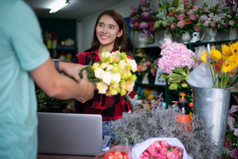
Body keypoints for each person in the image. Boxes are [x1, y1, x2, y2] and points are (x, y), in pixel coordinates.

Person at [0, 0, 95, 158]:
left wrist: (62, 65)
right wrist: (82, 89)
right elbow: (54, 85)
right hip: (10, 142)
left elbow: (14, 60)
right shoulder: (14, 11)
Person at [71, 9, 132, 136]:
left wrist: (91, 95)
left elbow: (117, 96)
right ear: (96, 28)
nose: (104, 31)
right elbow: (71, 87)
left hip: (115, 123)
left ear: (119, 32)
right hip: (85, 121)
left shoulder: (126, 62)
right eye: (101, 25)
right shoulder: (81, 58)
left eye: (111, 27)